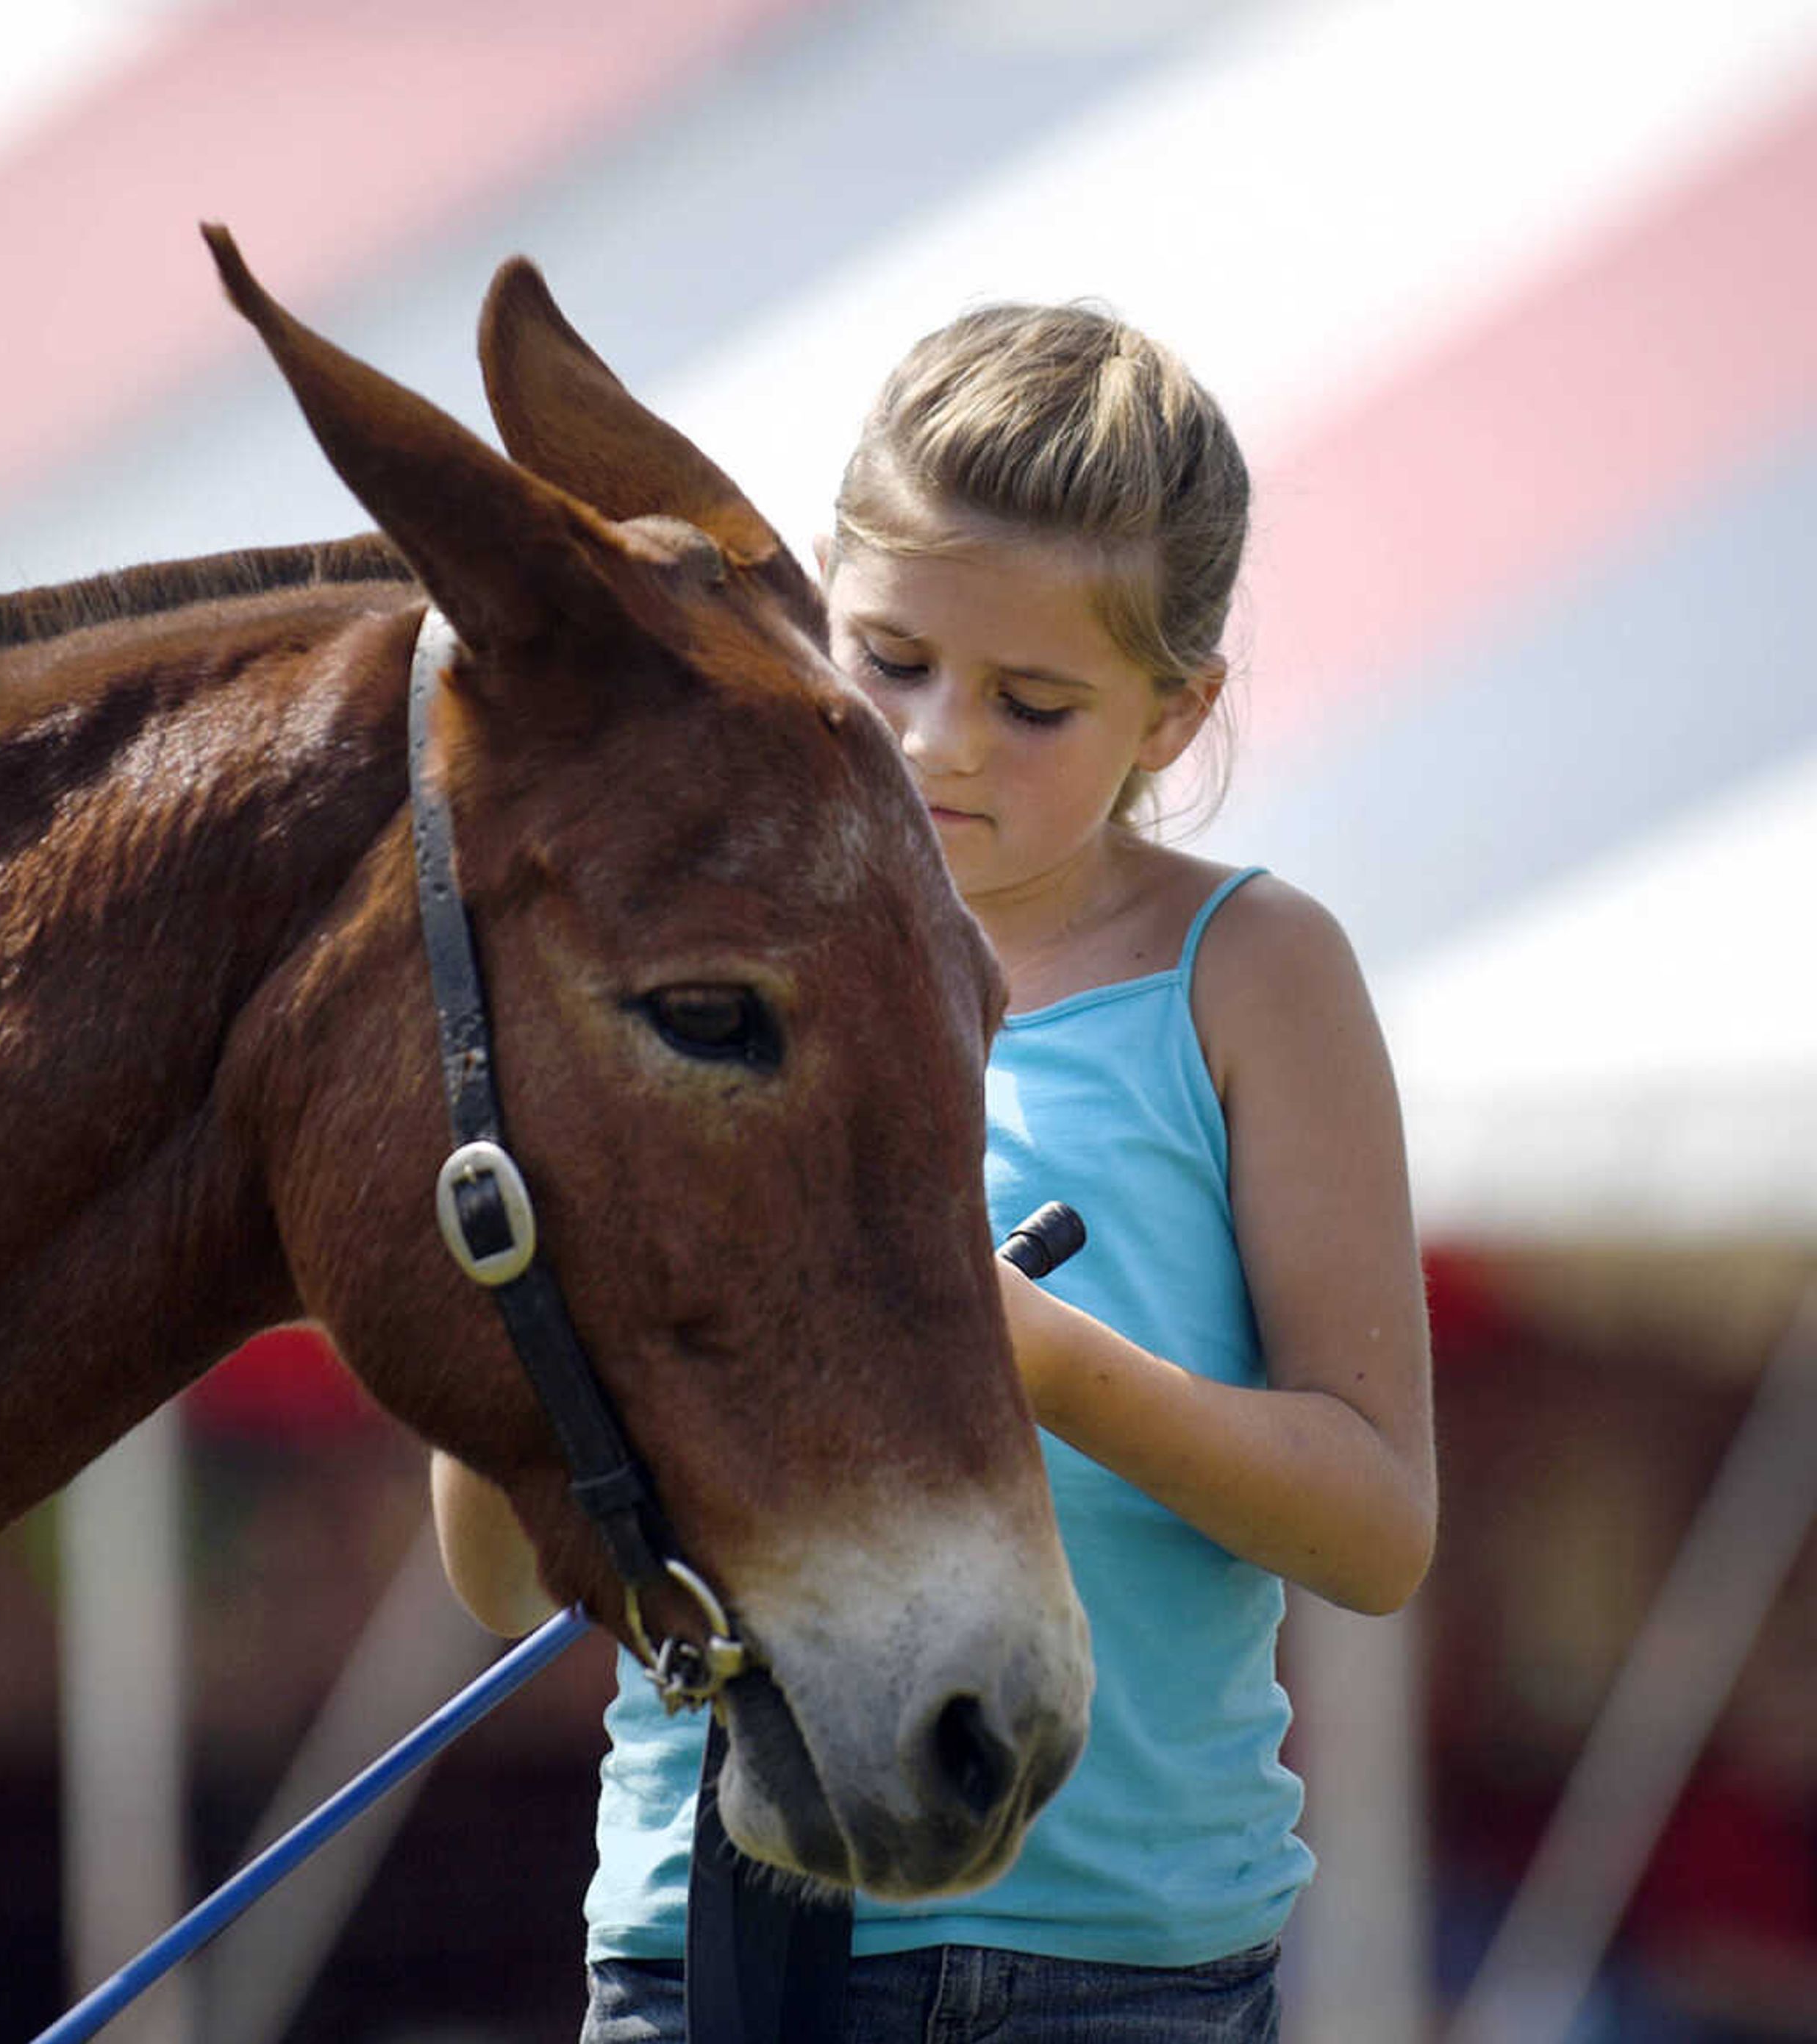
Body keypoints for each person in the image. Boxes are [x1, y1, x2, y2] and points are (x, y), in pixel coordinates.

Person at [429, 300, 1437, 2042]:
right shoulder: (671, 961)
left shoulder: (1258, 972)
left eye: (1035, 701)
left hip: (1127, 1972)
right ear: (820, 595)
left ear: (1177, 710)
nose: (943, 737)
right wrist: (537, 1296)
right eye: (891, 659)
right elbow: (502, 1578)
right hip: (709, 1955)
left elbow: (1376, 1527)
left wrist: (1031, 1357)